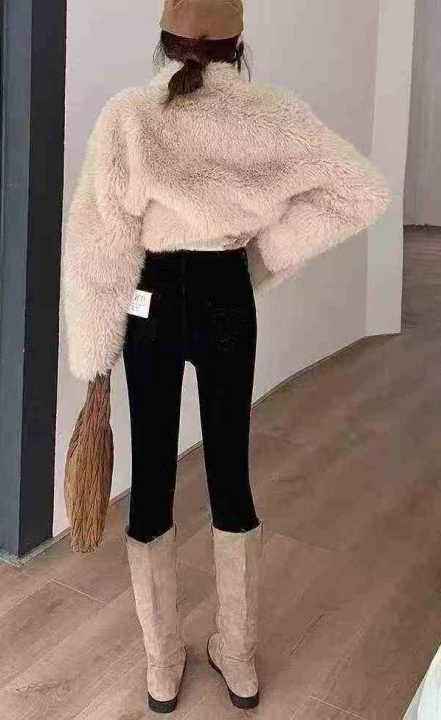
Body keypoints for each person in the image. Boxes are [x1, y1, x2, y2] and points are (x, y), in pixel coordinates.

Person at [63, 0, 389, 713]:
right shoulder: (271, 113)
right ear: (238, 45)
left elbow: (98, 244)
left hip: (150, 304)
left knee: (151, 477)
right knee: (230, 474)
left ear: (163, 41)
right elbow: (360, 191)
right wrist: (261, 256)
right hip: (225, 301)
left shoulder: (129, 115)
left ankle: (161, 669)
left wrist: (92, 356)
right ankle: (236, 658)